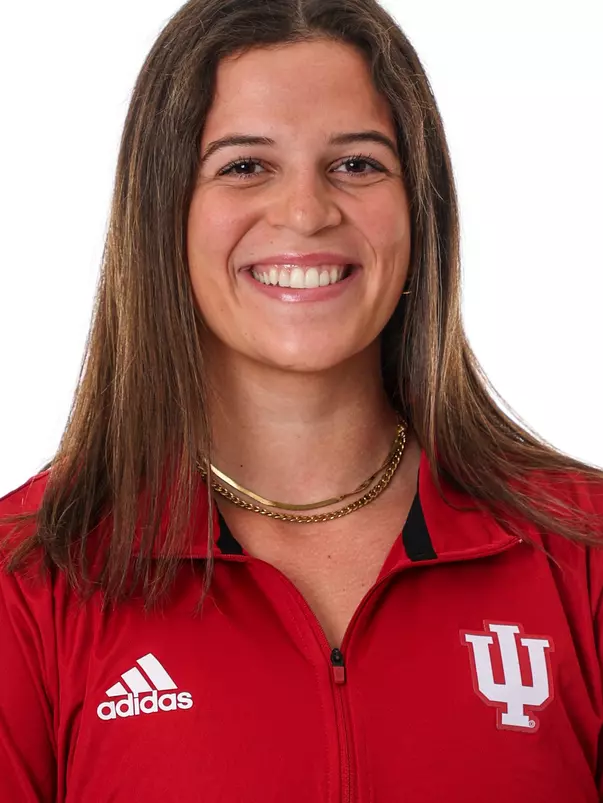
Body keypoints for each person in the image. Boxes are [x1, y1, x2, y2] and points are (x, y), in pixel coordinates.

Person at [1, 0, 602, 800]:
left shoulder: (582, 548)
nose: (307, 212)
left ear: (419, 208)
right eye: (244, 166)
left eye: (355, 163)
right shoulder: (29, 576)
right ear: (163, 212)